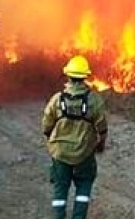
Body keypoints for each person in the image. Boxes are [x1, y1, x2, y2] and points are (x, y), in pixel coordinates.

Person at [41, 55, 108, 219]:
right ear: (85, 76)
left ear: (68, 76)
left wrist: (52, 140)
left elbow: (46, 125)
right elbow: (102, 128)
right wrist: (100, 145)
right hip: (84, 154)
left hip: (60, 154)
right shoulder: (94, 101)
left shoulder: (57, 100)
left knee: (60, 189)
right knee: (84, 188)